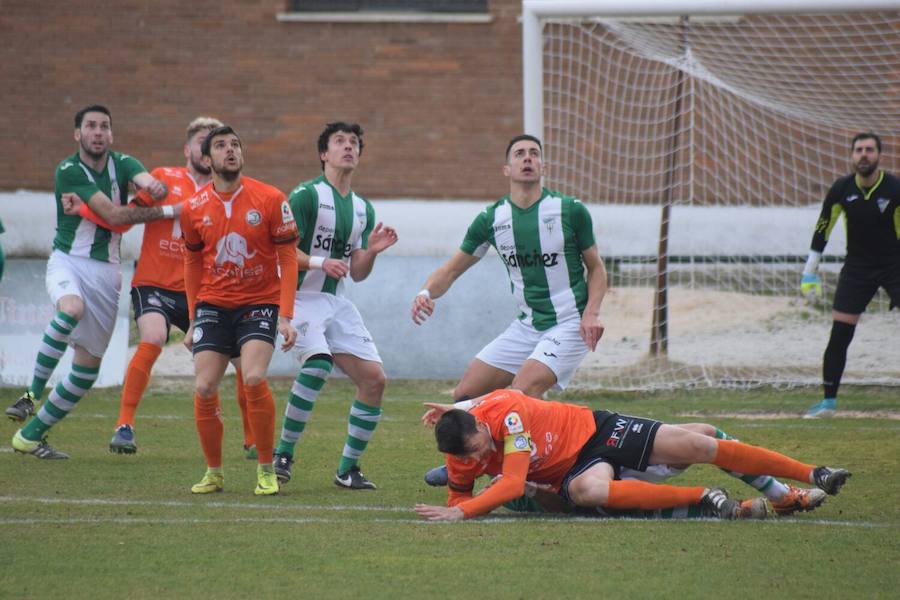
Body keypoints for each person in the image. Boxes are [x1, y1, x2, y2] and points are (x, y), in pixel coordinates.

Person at [411, 134, 606, 485]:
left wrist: (591, 313)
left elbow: (597, 268)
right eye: (520, 154)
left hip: (569, 324)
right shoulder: (493, 218)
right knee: (464, 395)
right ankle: (469, 464)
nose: (527, 158)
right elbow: (452, 269)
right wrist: (426, 292)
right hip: (527, 325)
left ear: (543, 166)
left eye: (534, 153)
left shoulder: (570, 210)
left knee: (522, 390)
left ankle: (518, 470)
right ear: (507, 168)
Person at [7, 104, 172, 458]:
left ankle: (30, 436)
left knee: (85, 373)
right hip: (69, 261)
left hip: (108, 274)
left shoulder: (125, 163)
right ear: (77, 134)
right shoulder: (68, 170)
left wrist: (152, 190)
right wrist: (166, 210)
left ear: (111, 134)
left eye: (104, 127)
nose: (98, 132)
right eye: (91, 126)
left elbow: (138, 202)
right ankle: (30, 395)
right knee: (71, 308)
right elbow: (114, 213)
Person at [413, 389, 850, 521]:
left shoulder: (506, 415)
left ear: (481, 425)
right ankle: (705, 499)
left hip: (598, 430)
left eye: (481, 443)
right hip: (576, 470)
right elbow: (461, 499)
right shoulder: (461, 453)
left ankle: (809, 476)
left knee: (699, 442)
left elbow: (502, 483)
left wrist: (470, 509)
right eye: (472, 454)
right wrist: (464, 506)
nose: (482, 452)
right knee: (589, 492)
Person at [97, 117, 256, 457]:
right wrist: (171, 209)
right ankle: (124, 425)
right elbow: (124, 218)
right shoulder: (163, 179)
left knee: (242, 361)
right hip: (155, 282)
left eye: (214, 143)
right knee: (153, 337)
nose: (207, 148)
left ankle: (251, 438)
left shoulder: (225, 192)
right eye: (203, 141)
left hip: (201, 291)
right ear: (189, 149)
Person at [272, 122, 398, 490]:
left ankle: (348, 469)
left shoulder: (362, 208)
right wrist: (317, 262)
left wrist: (372, 251)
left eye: (354, 143)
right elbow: (281, 251)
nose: (349, 147)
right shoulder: (306, 196)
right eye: (340, 142)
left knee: (374, 381)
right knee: (318, 364)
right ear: (323, 154)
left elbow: (356, 272)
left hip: (335, 300)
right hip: (299, 297)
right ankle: (283, 454)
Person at [180, 125, 299, 496]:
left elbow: (288, 257)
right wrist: (192, 317)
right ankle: (214, 472)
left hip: (259, 303)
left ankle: (266, 468)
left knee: (252, 378)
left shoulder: (270, 198)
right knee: (204, 386)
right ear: (206, 159)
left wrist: (286, 314)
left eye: (235, 145)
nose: (230, 150)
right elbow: (192, 263)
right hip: (213, 306)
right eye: (220, 146)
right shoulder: (193, 208)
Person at [800, 132, 900, 418]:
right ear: (852, 156)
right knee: (840, 334)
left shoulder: (894, 188)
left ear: (879, 155)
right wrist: (810, 273)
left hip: (895, 265)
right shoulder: (841, 189)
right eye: (859, 150)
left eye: (869, 149)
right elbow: (823, 229)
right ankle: (828, 402)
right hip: (857, 268)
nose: (864, 154)